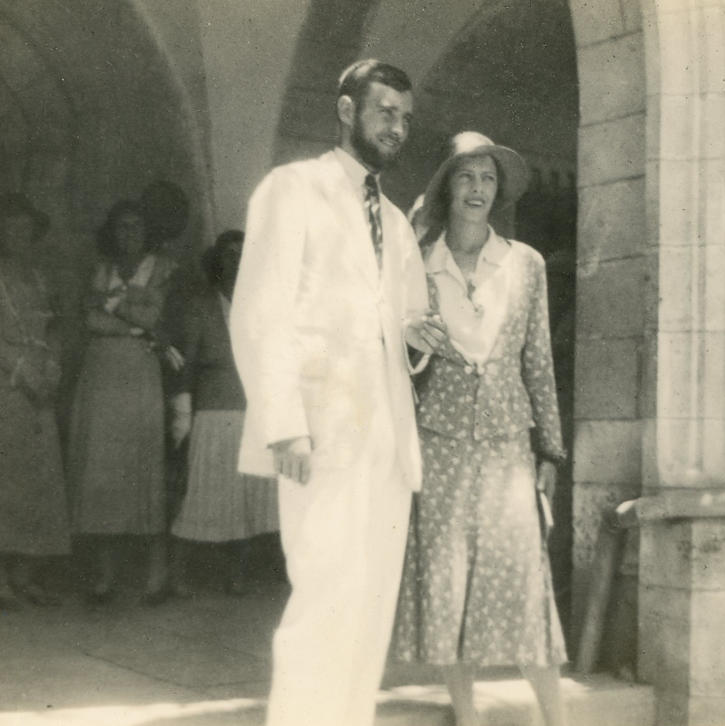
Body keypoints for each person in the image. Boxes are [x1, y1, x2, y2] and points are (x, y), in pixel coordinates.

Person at [230, 59, 446, 726]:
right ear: (347, 111)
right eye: (386, 112)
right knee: (323, 597)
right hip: (319, 430)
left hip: (386, 439)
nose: (397, 128)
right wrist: (283, 421)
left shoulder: (395, 221)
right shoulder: (291, 189)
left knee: (369, 607)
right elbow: (259, 310)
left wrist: (419, 341)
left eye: (406, 118)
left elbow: (406, 325)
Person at [391, 131, 569, 726]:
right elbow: (390, 354)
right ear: (447, 186)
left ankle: (557, 717)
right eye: (466, 176)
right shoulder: (418, 262)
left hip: (507, 444)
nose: (477, 189)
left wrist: (551, 448)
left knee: (522, 579)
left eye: (488, 178)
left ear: (499, 191)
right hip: (437, 439)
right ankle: (466, 715)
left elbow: (538, 359)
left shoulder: (525, 264)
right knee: (448, 581)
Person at [68, 200, 177, 605]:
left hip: (138, 374)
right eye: (121, 227)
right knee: (103, 470)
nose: (128, 233)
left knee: (141, 466)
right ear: (111, 231)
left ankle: (155, 576)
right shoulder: (100, 268)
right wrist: (134, 314)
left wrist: (116, 308)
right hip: (101, 375)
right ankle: (105, 577)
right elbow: (90, 320)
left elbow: (155, 319)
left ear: (146, 231)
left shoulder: (163, 268)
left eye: (136, 226)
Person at [168, 230, 279, 596]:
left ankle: (237, 574)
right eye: (229, 255)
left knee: (246, 498)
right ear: (218, 262)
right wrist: (182, 417)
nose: (236, 261)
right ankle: (178, 575)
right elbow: (184, 366)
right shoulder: (201, 307)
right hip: (214, 415)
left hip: (254, 415)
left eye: (243, 254)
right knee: (202, 494)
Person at [0, 194, 71, 609]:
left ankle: (26, 576)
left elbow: (55, 328)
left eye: (26, 227)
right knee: (4, 480)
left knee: (38, 482)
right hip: (7, 385)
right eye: (11, 227)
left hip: (40, 388)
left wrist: (54, 366)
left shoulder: (40, 277)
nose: (18, 234)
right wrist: (20, 370)